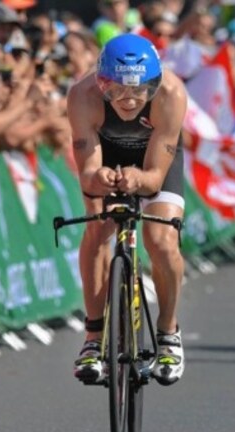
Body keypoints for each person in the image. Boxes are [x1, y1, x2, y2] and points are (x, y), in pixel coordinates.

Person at [67, 33, 187, 385]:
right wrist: (99, 175)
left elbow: (153, 179)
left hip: (153, 163)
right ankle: (93, 337)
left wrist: (139, 180)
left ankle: (168, 331)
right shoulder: (82, 95)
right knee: (99, 228)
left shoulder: (171, 94)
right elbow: (88, 174)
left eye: (140, 90)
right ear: (102, 82)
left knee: (161, 238)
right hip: (106, 155)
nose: (130, 100)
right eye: (117, 90)